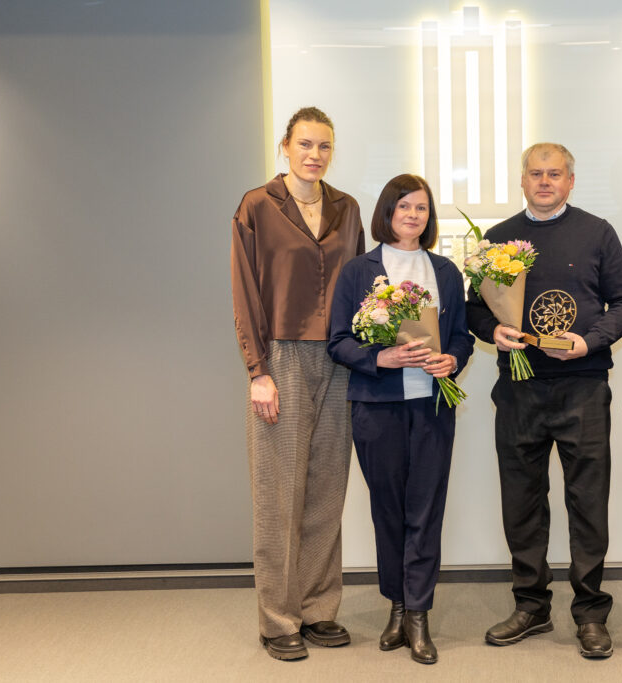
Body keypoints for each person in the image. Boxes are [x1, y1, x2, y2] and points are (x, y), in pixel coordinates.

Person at [467, 143, 622, 659]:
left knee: (588, 502)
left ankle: (591, 612)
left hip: (583, 385)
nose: (545, 181)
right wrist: (493, 330)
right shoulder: (497, 239)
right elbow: (474, 309)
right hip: (519, 389)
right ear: (522, 180)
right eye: (536, 173)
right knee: (521, 501)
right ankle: (530, 605)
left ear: (571, 180)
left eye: (555, 174)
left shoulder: (598, 232)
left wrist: (592, 341)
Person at [231, 106, 365, 661]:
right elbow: (244, 290)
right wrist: (257, 370)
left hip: (339, 357)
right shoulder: (257, 205)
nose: (315, 155)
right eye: (305, 144)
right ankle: (277, 618)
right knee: (278, 494)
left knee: (327, 490)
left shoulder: (347, 209)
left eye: (324, 146)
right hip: (281, 358)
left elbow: (362, 285)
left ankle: (317, 609)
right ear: (285, 145)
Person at [328, 174, 474, 665]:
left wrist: (453, 359)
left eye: (422, 208)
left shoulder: (445, 271)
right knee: (388, 510)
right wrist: (380, 357)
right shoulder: (358, 272)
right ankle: (397, 605)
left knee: (425, 510)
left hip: (432, 405)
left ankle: (419, 614)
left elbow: (462, 336)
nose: (413, 215)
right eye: (404, 206)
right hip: (378, 408)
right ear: (387, 212)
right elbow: (338, 341)